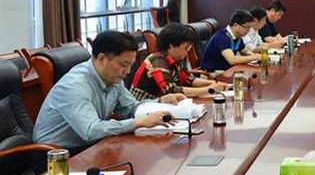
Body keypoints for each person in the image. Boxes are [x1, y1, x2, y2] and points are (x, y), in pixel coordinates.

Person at [33, 31, 180, 152]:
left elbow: (129, 108)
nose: (128, 71)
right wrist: (139, 122)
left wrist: (159, 101)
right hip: (56, 155)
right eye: (124, 65)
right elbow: (91, 131)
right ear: (102, 58)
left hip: (90, 147)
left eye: (131, 65)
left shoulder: (113, 79)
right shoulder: (74, 86)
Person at [130, 23, 229, 100]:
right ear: (171, 44)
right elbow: (171, 90)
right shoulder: (157, 60)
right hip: (144, 106)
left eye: (190, 46)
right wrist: (208, 89)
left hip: (163, 104)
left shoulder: (175, 59)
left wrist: (213, 83)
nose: (189, 49)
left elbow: (188, 80)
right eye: (186, 46)